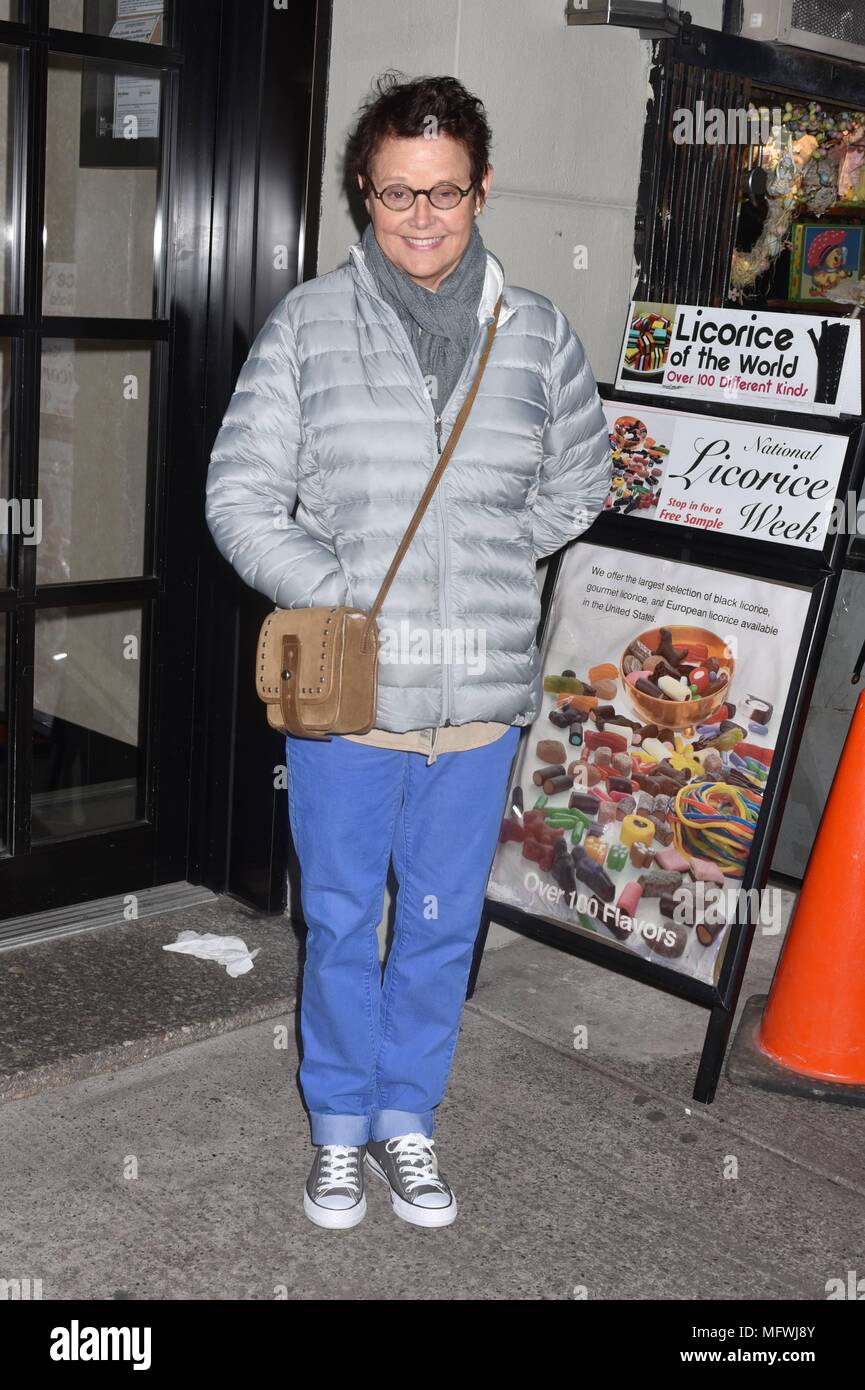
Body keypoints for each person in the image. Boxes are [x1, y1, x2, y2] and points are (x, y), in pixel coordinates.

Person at [205, 71, 612, 1231]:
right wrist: (338, 592)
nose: (421, 218)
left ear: (480, 190)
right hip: (349, 692)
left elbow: (581, 482)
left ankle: (405, 1120)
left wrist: (486, 558)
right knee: (341, 918)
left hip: (478, 697)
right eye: (396, 194)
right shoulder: (309, 326)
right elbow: (239, 496)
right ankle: (338, 1129)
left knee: (441, 926)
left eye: (443, 193)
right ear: (363, 196)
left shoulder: (533, 334)